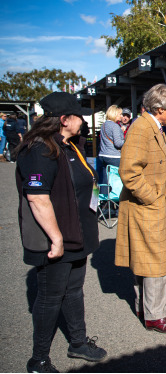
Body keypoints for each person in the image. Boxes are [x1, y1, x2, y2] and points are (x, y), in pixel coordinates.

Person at [15, 92, 107, 373]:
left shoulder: (69, 145)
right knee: (50, 296)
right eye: (79, 116)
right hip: (57, 239)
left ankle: (77, 343)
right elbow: (37, 197)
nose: (84, 121)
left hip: (77, 235)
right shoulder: (40, 148)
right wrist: (55, 238)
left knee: (74, 291)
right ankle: (38, 359)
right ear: (65, 120)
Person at [115, 84, 166, 333]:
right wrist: (152, 198)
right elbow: (128, 172)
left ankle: (149, 306)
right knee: (155, 261)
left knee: (148, 259)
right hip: (147, 205)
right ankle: (155, 315)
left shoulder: (152, 126)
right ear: (160, 109)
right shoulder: (142, 128)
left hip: (151, 204)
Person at [97, 105, 124, 185]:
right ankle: (115, 196)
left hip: (102, 154)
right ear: (115, 114)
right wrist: (126, 139)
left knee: (105, 180)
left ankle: (104, 195)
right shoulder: (115, 126)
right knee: (116, 180)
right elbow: (118, 143)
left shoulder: (104, 125)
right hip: (114, 156)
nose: (121, 116)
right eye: (120, 114)